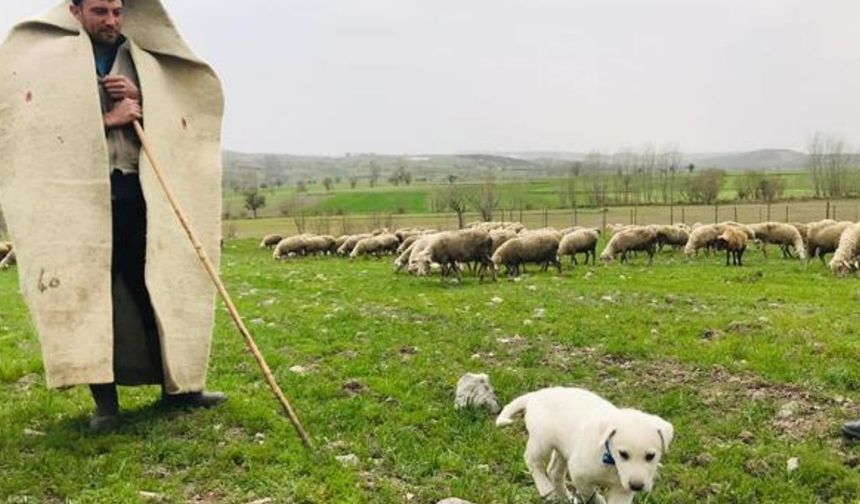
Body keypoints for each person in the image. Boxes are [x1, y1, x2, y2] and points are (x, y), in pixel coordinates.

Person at [0, 0, 227, 432]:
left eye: (117, 11)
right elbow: (33, 132)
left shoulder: (138, 53)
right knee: (90, 296)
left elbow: (178, 111)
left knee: (155, 288)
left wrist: (144, 99)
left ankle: (181, 388)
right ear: (75, 10)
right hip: (77, 201)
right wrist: (109, 118)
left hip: (138, 194)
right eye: (100, 11)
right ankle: (106, 406)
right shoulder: (47, 61)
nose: (111, 21)